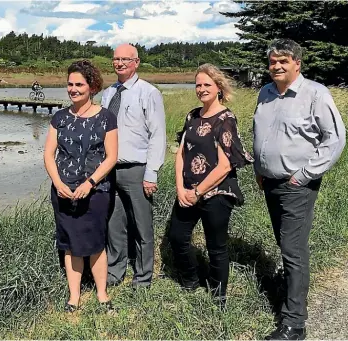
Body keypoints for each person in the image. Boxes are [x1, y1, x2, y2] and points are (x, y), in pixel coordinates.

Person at [254, 39, 346, 340]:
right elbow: (263, 134)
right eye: (273, 62)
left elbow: (334, 139)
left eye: (283, 61)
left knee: (293, 249)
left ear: (297, 63)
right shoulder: (265, 93)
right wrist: (259, 169)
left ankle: (295, 323)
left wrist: (304, 175)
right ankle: (291, 289)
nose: (277, 66)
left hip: (297, 185)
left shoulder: (315, 94)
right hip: (270, 182)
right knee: (285, 244)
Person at [168, 64, 253, 308]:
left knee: (216, 245)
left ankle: (218, 296)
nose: (202, 89)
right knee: (177, 236)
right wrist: (180, 188)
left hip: (216, 192)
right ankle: (190, 281)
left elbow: (225, 166)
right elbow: (181, 154)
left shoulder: (225, 119)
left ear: (218, 88)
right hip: (188, 191)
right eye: (198, 84)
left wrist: (197, 192)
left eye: (207, 84)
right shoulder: (192, 116)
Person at [43, 60, 118, 312]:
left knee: (96, 243)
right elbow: (48, 155)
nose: (73, 89)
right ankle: (74, 297)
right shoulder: (59, 118)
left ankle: (102, 295)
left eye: (79, 84)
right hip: (63, 192)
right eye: (70, 84)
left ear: (92, 86)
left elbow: (111, 157)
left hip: (95, 192)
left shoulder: (106, 117)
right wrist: (57, 182)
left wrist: (90, 182)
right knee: (70, 244)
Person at [101, 43, 167, 289]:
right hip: (110, 170)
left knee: (141, 226)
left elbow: (158, 134)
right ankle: (114, 272)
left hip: (136, 169)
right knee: (113, 225)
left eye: (125, 60)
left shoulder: (148, 93)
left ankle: (143, 277)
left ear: (136, 62)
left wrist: (151, 173)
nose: (119, 63)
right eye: (116, 59)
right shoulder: (109, 93)